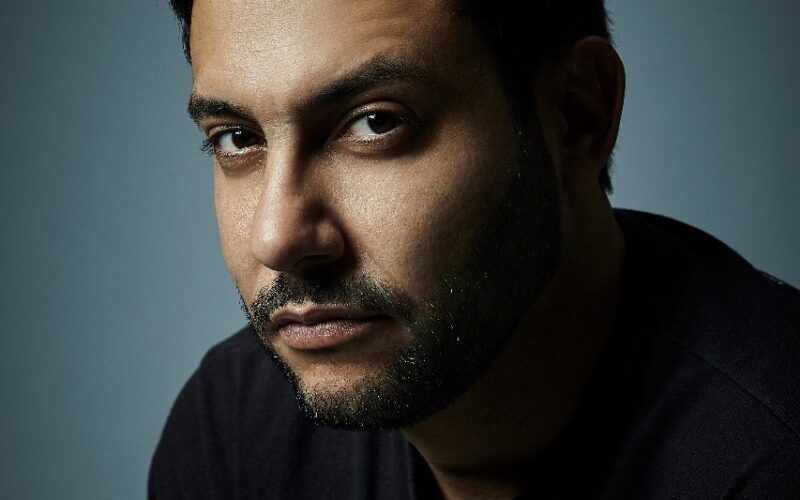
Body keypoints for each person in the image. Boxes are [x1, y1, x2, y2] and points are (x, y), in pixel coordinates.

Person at [149, 0, 800, 498]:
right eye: (236, 138)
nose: (277, 238)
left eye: (376, 122)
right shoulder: (235, 425)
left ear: (576, 116)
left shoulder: (772, 456)